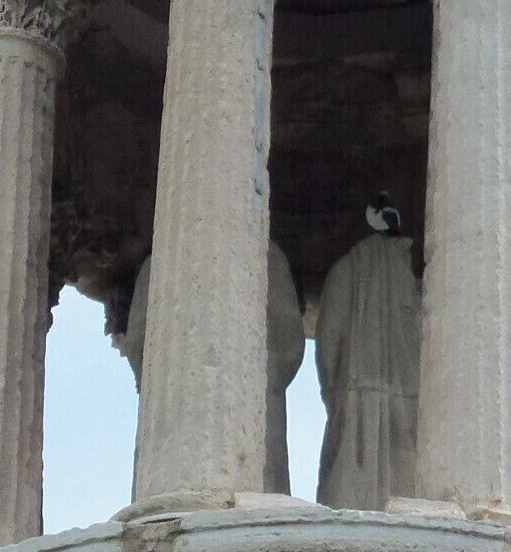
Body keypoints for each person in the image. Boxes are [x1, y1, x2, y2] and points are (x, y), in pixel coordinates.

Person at [122, 242, 305, 494]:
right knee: (263, 491)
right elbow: (290, 342)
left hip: (174, 400)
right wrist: (269, 379)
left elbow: (136, 344)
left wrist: (157, 379)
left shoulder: (158, 263)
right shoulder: (268, 255)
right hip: (253, 396)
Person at [314, 209, 421, 511]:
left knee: (346, 495)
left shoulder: (343, 271)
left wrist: (332, 392)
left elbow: (327, 343)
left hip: (353, 395)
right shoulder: (410, 280)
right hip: (406, 404)